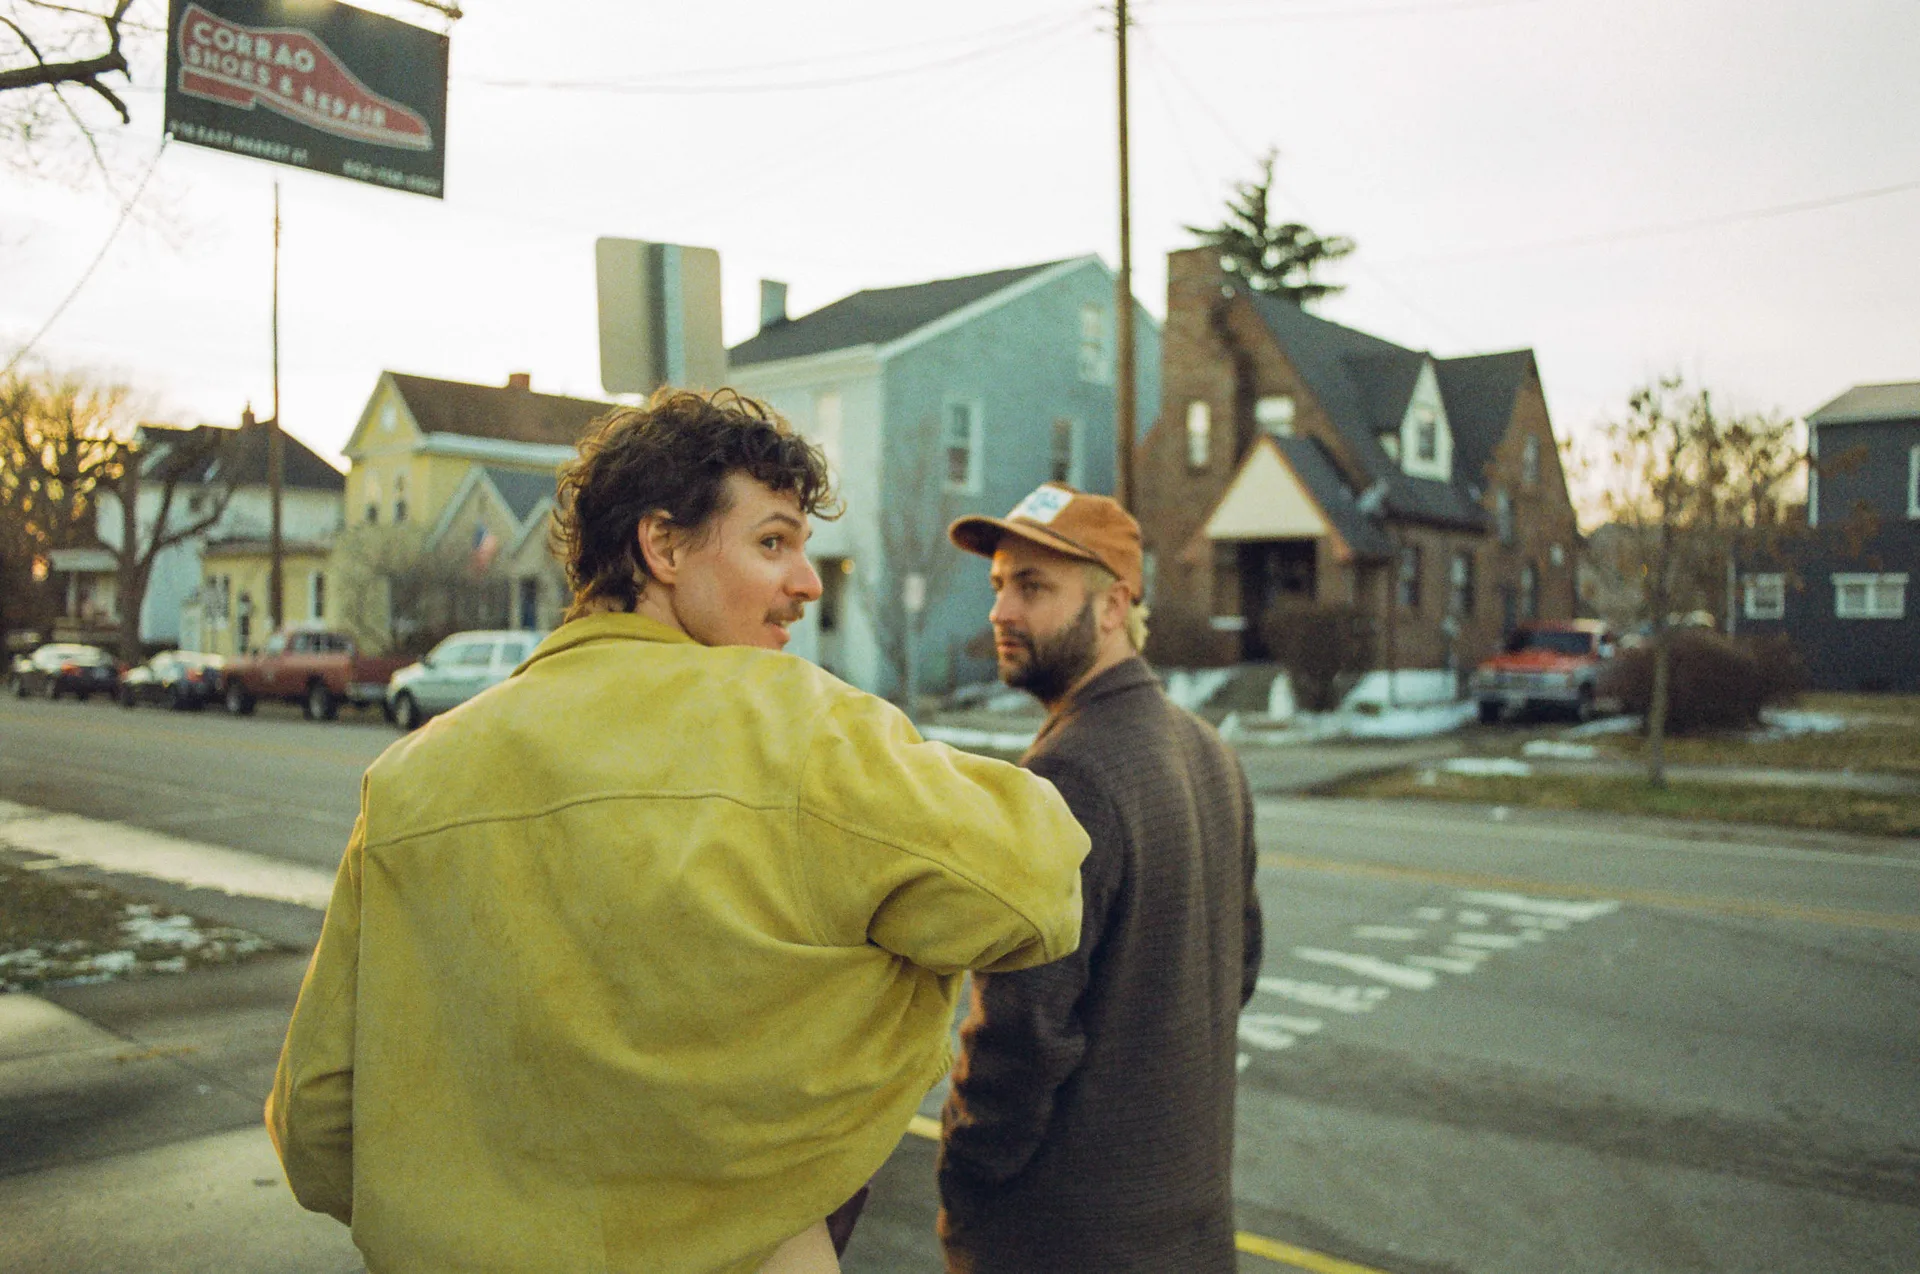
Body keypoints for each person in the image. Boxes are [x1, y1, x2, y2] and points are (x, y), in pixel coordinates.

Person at [266, 390, 1091, 1274]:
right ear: (661, 546)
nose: (807, 583)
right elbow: (1037, 890)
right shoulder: (798, 727)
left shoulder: (409, 779)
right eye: (773, 542)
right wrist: (878, 1004)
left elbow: (317, 1123)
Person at [937, 482, 1265, 1273]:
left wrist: (966, 1177)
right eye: (999, 585)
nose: (1002, 612)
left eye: (1034, 586)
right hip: (1189, 1229)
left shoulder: (1069, 772)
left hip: (1069, 1240)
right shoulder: (1210, 750)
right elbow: (1239, 969)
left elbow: (1021, 1034)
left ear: (1114, 606)